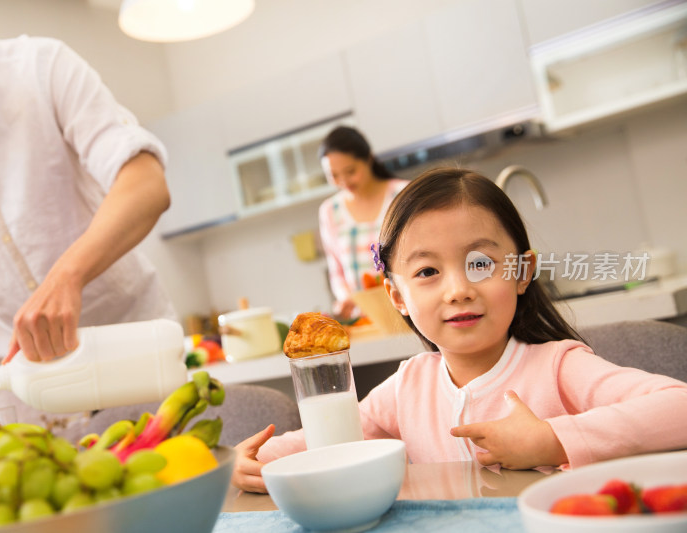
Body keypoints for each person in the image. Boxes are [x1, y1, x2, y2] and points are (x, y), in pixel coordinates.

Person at [232, 167, 687, 493]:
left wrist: (551, 439)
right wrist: (251, 461)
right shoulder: (408, 386)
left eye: (481, 264)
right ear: (396, 297)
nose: (458, 290)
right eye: (428, 271)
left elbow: (678, 407)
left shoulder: (558, 366)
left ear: (521, 271)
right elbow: (334, 435)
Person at [0, 0, 177, 460]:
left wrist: (67, 276)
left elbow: (145, 183)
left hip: (130, 353)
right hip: (21, 392)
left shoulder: (38, 66)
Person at [317, 125, 407, 320]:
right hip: (366, 318)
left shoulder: (403, 194)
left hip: (410, 309)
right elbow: (337, 271)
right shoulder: (330, 211)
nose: (343, 181)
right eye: (333, 175)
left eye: (350, 171)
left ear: (368, 158)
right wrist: (346, 299)